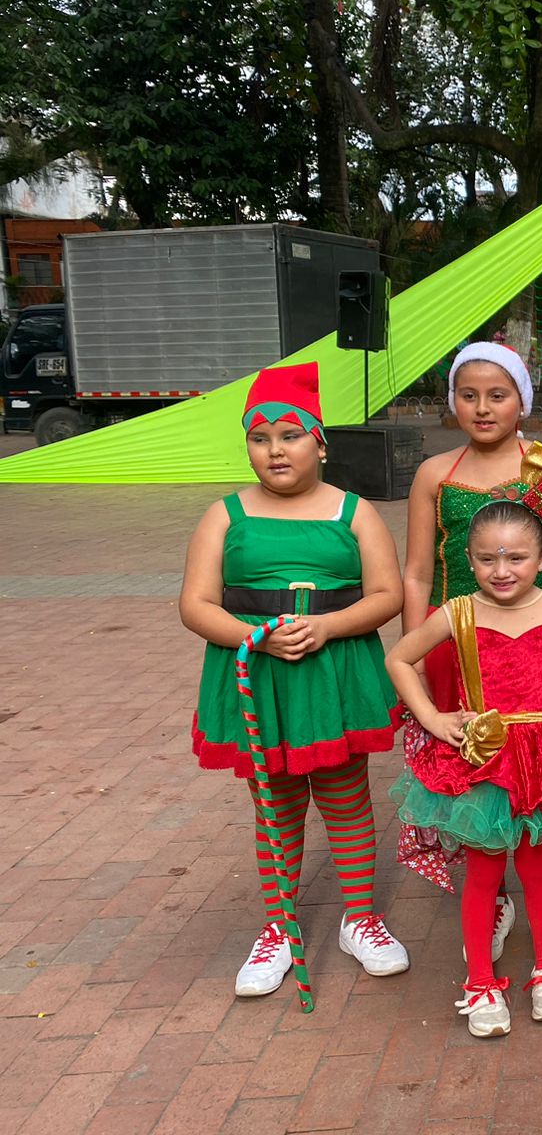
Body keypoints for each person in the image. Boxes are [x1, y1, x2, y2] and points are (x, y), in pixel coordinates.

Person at [179, 363, 410, 998]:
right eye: (259, 438)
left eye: (290, 435)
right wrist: (252, 635)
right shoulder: (224, 515)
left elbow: (387, 594)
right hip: (260, 674)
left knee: (345, 797)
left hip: (335, 673)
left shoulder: (355, 512)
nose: (275, 450)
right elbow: (195, 604)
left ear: (321, 444)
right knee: (275, 803)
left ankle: (359, 919)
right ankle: (279, 928)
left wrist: (329, 627)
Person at [387, 498, 542, 1035]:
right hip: (483, 761)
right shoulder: (457, 612)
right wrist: (433, 718)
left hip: (541, 760)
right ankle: (480, 982)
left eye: (516, 558)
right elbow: (399, 658)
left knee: (538, 867)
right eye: (487, 559)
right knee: (484, 873)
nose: (501, 570)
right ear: (469, 559)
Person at [398, 342, 542, 964]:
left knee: (539, 775)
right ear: (452, 401)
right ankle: (496, 896)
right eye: (468, 395)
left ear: (522, 401)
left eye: (497, 395)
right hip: (456, 646)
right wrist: (417, 660)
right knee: (473, 774)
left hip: (539, 648)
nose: (482, 408)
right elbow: (418, 572)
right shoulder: (434, 473)